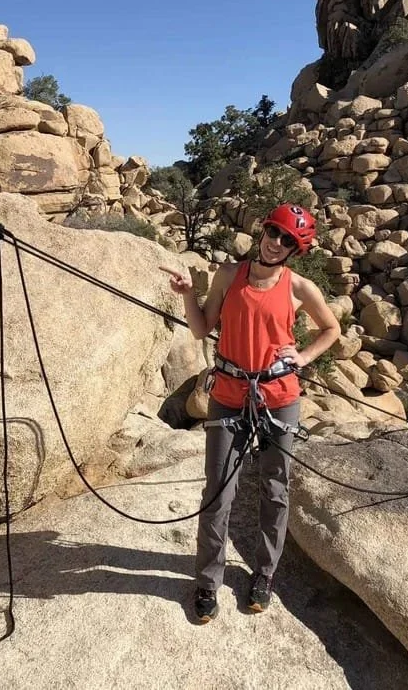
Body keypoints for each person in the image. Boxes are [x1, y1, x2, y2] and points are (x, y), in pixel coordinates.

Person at [161, 203, 340, 623]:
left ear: (295, 249)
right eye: (274, 233)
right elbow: (203, 329)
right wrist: (188, 294)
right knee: (218, 491)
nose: (276, 244)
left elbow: (330, 328)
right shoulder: (229, 275)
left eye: (288, 241)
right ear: (264, 231)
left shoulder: (299, 288)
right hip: (229, 393)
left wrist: (304, 355)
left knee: (275, 490)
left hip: (279, 397)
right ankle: (207, 582)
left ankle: (264, 574)